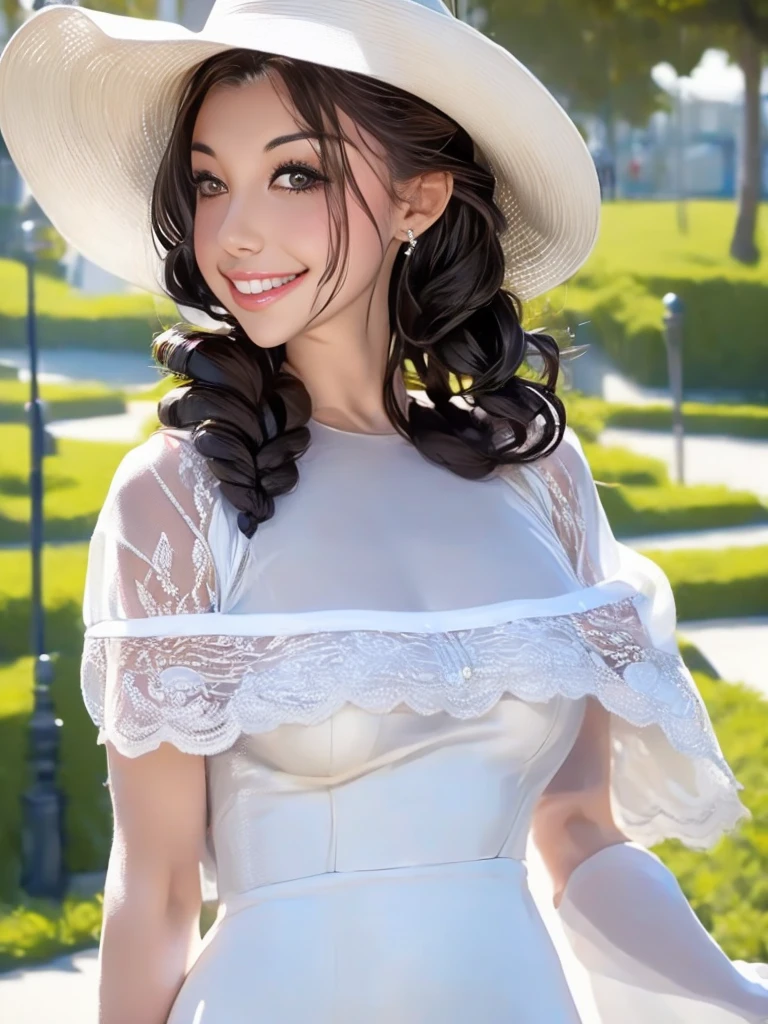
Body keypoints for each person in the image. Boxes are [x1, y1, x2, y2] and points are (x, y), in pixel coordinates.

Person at [1, 1, 766, 1021]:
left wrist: (732, 996)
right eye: (210, 180)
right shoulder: (177, 499)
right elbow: (158, 890)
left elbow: (580, 831)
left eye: (296, 173)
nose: (237, 229)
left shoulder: (540, 479)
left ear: (420, 196)